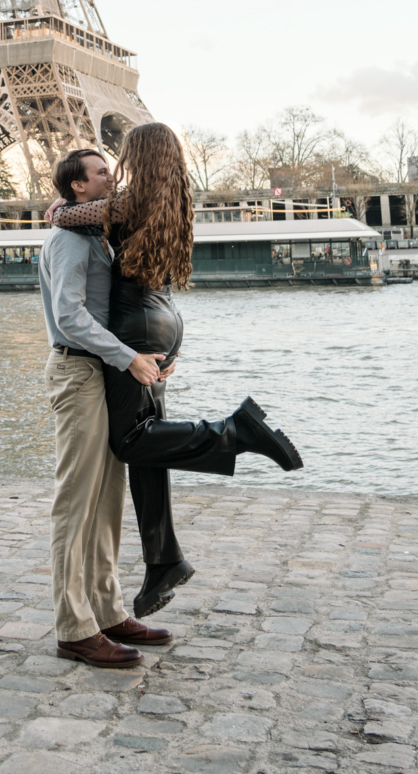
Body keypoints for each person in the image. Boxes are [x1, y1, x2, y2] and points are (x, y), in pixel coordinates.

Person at [50, 123, 304, 618]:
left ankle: (233, 431)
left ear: (138, 157)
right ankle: (163, 561)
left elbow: (67, 215)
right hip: (164, 318)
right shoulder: (173, 200)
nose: (115, 167)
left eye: (121, 157)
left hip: (136, 325)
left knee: (130, 440)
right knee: (150, 443)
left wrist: (60, 207)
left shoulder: (125, 203)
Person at [38, 147, 176, 667]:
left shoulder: (95, 232)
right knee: (77, 502)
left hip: (102, 371)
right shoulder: (71, 240)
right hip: (78, 372)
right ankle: (74, 627)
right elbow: (69, 317)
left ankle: (108, 610)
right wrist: (129, 358)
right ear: (77, 187)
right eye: (100, 173)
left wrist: (149, 355)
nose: (109, 177)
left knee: (108, 499)